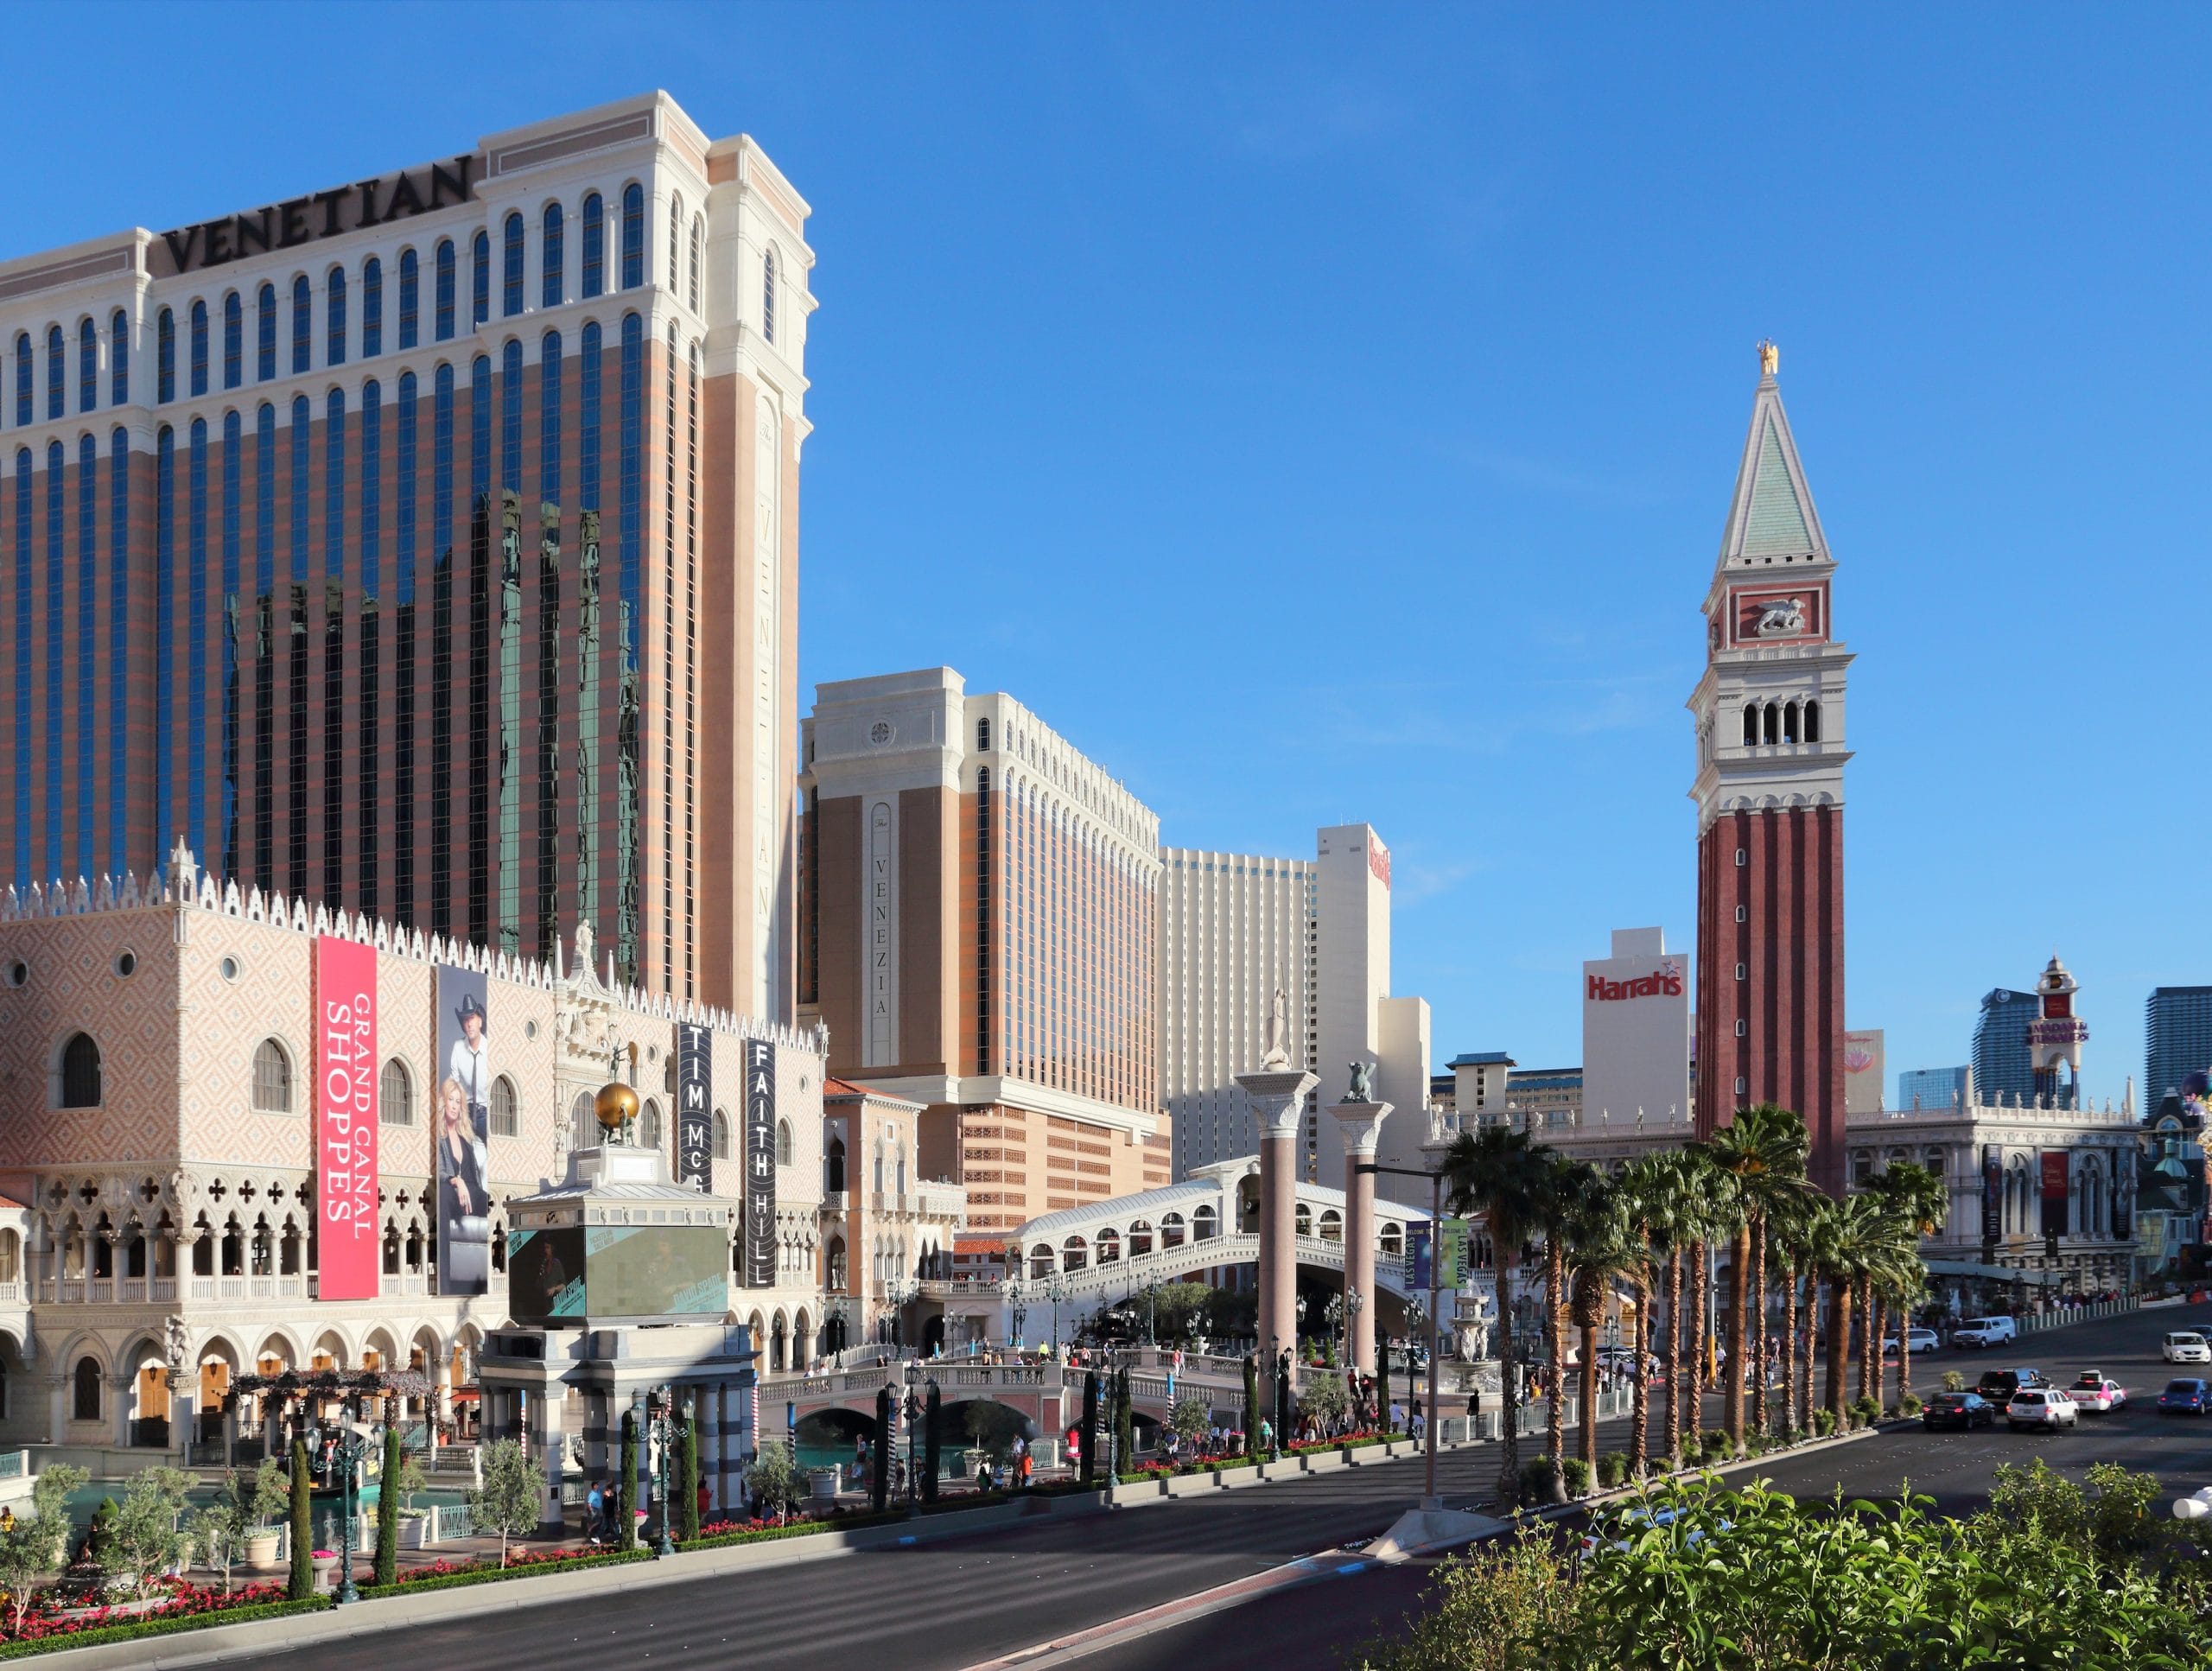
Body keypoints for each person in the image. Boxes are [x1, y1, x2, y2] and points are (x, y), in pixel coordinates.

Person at [436, 1076, 491, 1293]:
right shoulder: (438, 1137)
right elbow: (439, 1170)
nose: (454, 1105)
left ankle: (481, 1278)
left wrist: (466, 1185)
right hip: (450, 1188)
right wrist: (456, 1181)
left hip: (471, 1191)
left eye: (458, 1101)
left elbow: (474, 1175)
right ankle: (445, 1282)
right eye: (451, 1099)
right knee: (442, 1197)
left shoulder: (466, 1136)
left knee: (487, 1200)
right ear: (444, 1102)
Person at [586, 1477, 606, 1543]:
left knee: (596, 1521)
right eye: (596, 1485)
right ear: (594, 1486)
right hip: (594, 1509)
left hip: (597, 1509)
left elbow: (603, 1486)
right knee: (597, 1521)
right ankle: (590, 1530)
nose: (598, 1486)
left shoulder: (598, 1491)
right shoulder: (592, 1494)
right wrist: (591, 1511)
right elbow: (589, 1503)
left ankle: (590, 1532)